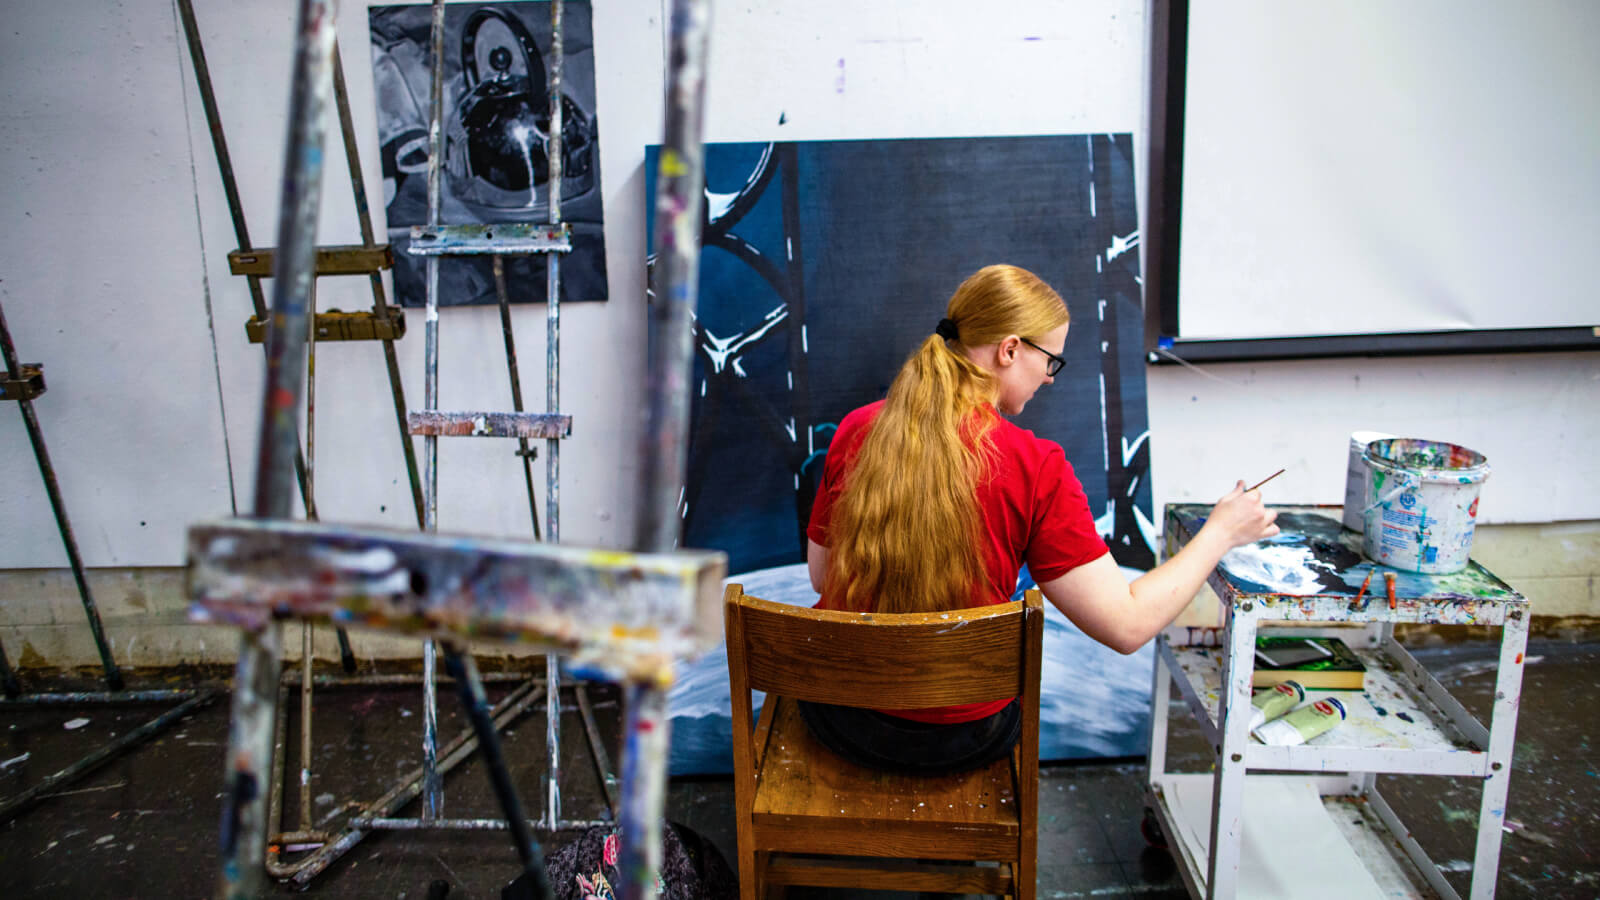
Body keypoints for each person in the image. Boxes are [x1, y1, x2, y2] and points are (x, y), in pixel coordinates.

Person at [801, 264, 1279, 774]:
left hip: (840, 716)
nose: (1050, 378)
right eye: (1050, 360)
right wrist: (1221, 532)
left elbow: (823, 577)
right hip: (958, 739)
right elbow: (1126, 626)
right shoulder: (1036, 467)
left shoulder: (857, 430)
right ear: (1009, 350)